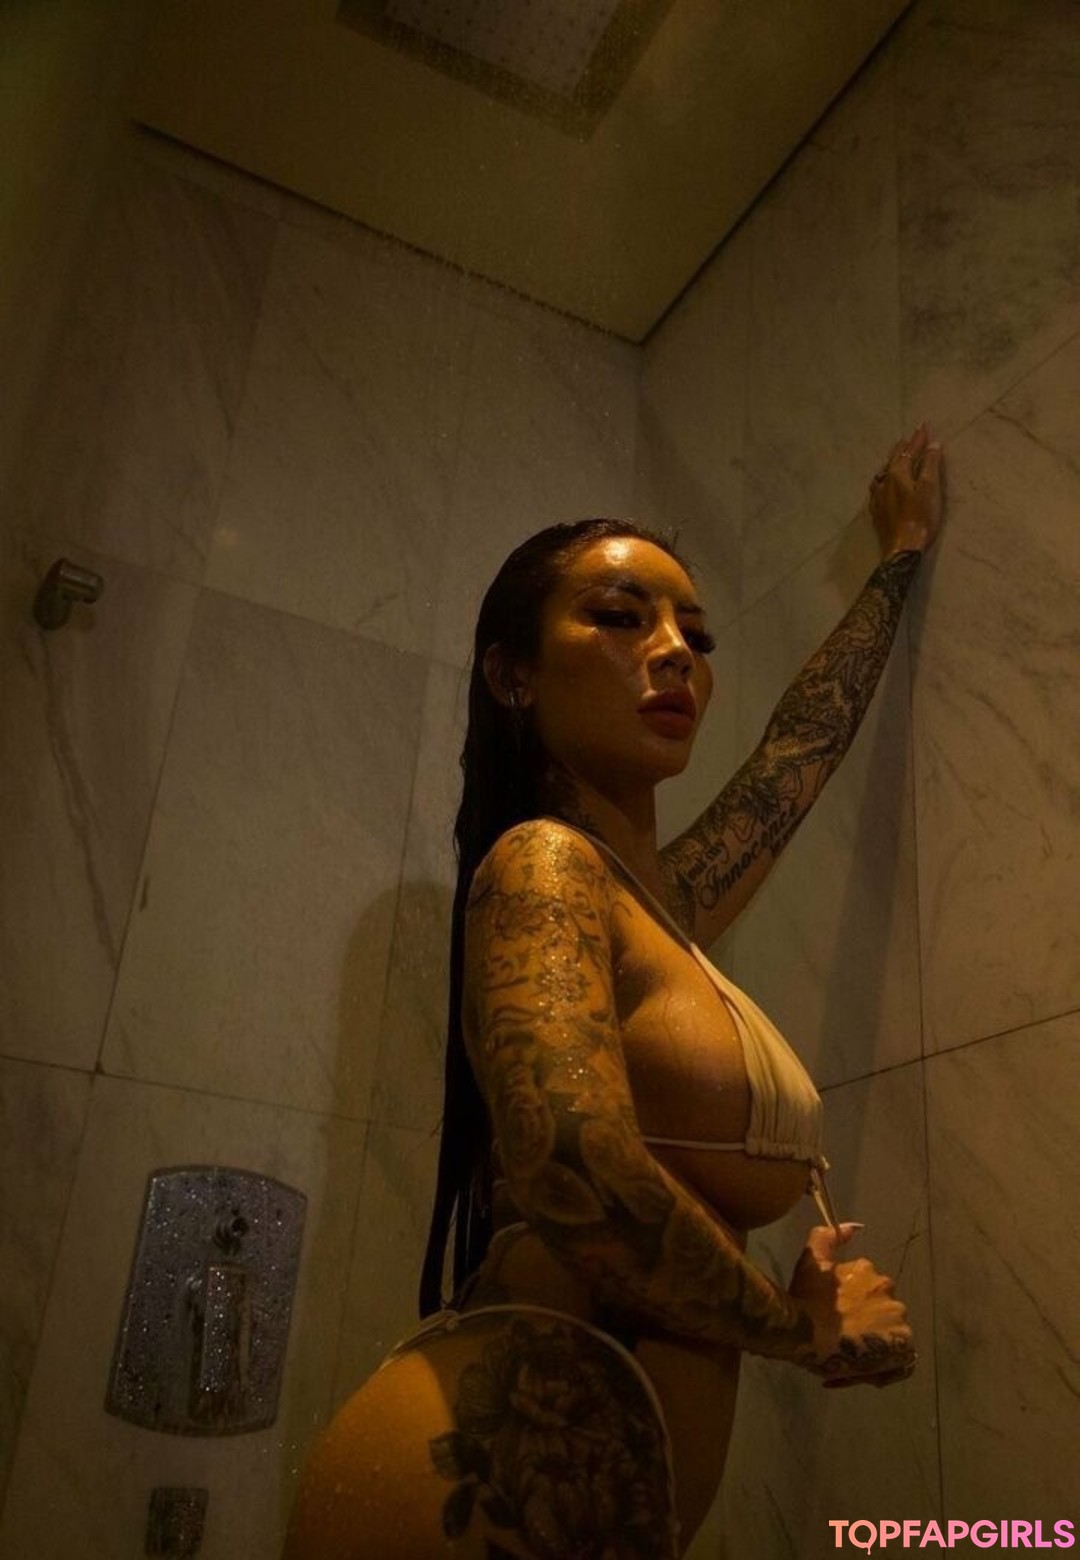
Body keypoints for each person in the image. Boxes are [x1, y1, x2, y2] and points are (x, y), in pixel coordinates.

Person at [284, 422, 945, 1559]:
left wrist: (902, 556)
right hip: (487, 1494)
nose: (676, 650)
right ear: (513, 675)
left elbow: (798, 754)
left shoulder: (658, 907)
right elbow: (571, 1159)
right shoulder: (545, 864)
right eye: (621, 617)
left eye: (697, 631)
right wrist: (801, 1330)